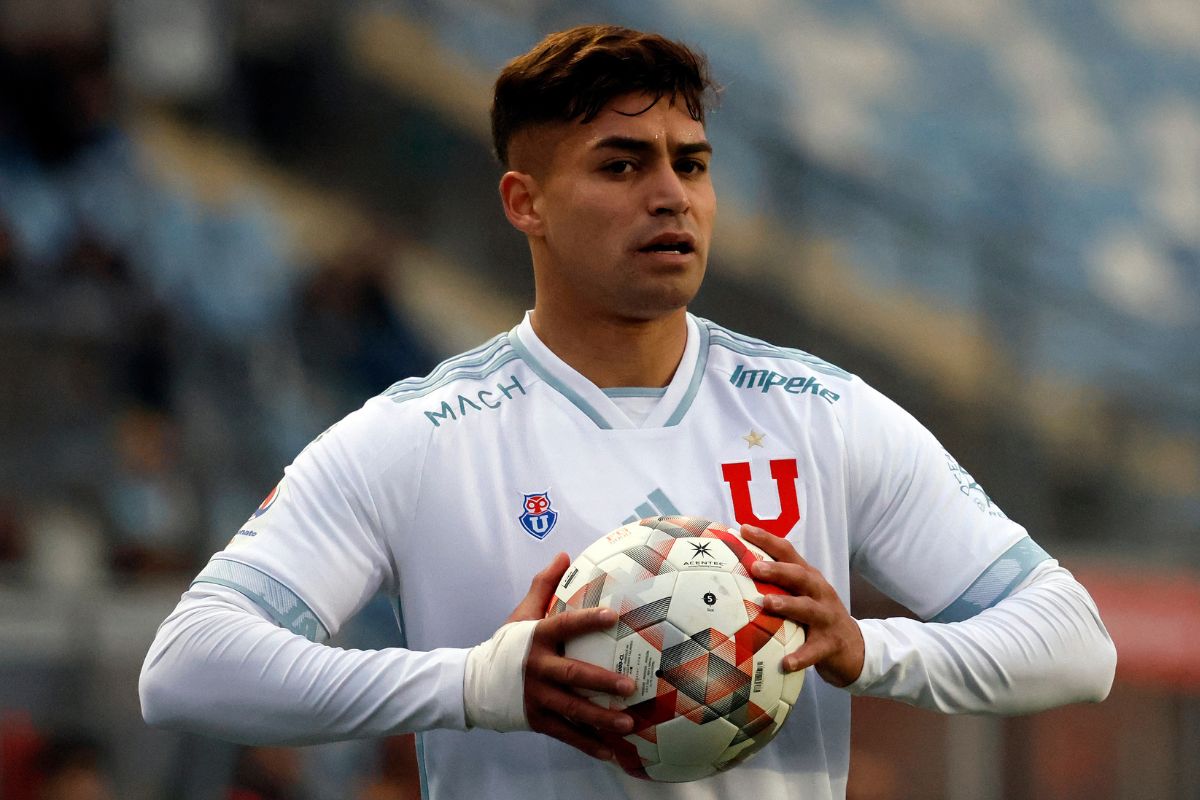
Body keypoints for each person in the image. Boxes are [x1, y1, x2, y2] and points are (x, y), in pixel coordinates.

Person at [140, 24, 1116, 800]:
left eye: (690, 163)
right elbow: (185, 667)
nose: (671, 196)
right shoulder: (419, 436)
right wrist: (475, 686)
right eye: (621, 165)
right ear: (525, 202)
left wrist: (873, 648)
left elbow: (1074, 640)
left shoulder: (824, 413)